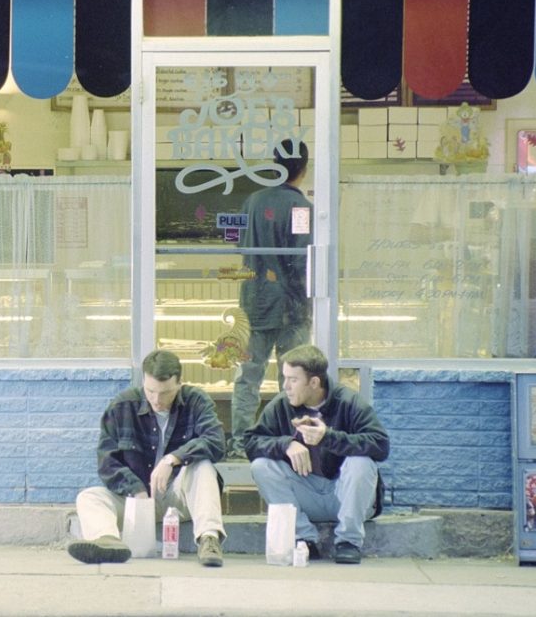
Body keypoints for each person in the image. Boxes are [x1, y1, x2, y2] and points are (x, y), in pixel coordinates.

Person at [67, 349, 227, 567]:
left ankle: (209, 538)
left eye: (165, 393)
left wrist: (173, 459)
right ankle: (108, 541)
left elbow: (216, 441)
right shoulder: (122, 406)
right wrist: (136, 489)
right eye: (151, 391)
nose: (157, 400)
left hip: (178, 498)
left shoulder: (196, 401)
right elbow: (107, 462)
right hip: (136, 500)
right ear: (143, 380)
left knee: (204, 467)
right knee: (89, 497)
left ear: (179, 383)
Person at [245, 344, 389, 564]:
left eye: (293, 380)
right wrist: (287, 444)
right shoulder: (281, 405)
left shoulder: (349, 402)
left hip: (344, 496)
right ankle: (303, 539)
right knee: (261, 466)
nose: (286, 386)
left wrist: (328, 438)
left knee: (362, 462)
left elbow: (380, 445)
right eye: (285, 378)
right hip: (307, 494)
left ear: (314, 382)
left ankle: (348, 541)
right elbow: (251, 443)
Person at [228, 139, 314, 460]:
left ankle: (239, 445)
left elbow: (236, 243)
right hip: (292, 308)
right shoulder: (302, 209)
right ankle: (286, 443)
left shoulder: (252, 201)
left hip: (254, 305)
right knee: (291, 381)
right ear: (303, 169)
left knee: (247, 379)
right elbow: (303, 258)